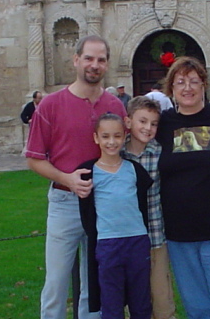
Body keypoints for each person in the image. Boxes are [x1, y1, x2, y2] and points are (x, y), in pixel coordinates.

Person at [24, 35, 127, 319]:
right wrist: (67, 179)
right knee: (56, 283)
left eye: (101, 59)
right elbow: (33, 158)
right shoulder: (51, 105)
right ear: (76, 60)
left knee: (93, 285)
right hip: (64, 202)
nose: (95, 65)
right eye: (89, 58)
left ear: (107, 64)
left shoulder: (115, 106)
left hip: (103, 204)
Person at [156, 56, 210, 319]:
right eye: (180, 82)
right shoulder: (162, 124)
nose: (188, 88)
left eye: (194, 81)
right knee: (196, 306)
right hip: (179, 232)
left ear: (204, 84)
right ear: (171, 88)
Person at [78, 113, 153, 319]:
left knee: (141, 301)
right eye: (106, 136)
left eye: (117, 136)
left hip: (137, 240)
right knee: (111, 303)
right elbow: (86, 213)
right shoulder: (89, 173)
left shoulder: (134, 170)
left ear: (124, 137)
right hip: (108, 243)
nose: (111, 142)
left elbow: (141, 204)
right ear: (96, 138)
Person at [121, 96, 177, 319]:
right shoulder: (118, 154)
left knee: (162, 299)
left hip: (155, 237)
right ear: (128, 122)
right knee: (134, 301)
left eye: (153, 124)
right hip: (127, 238)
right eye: (142, 121)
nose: (148, 128)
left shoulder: (160, 153)